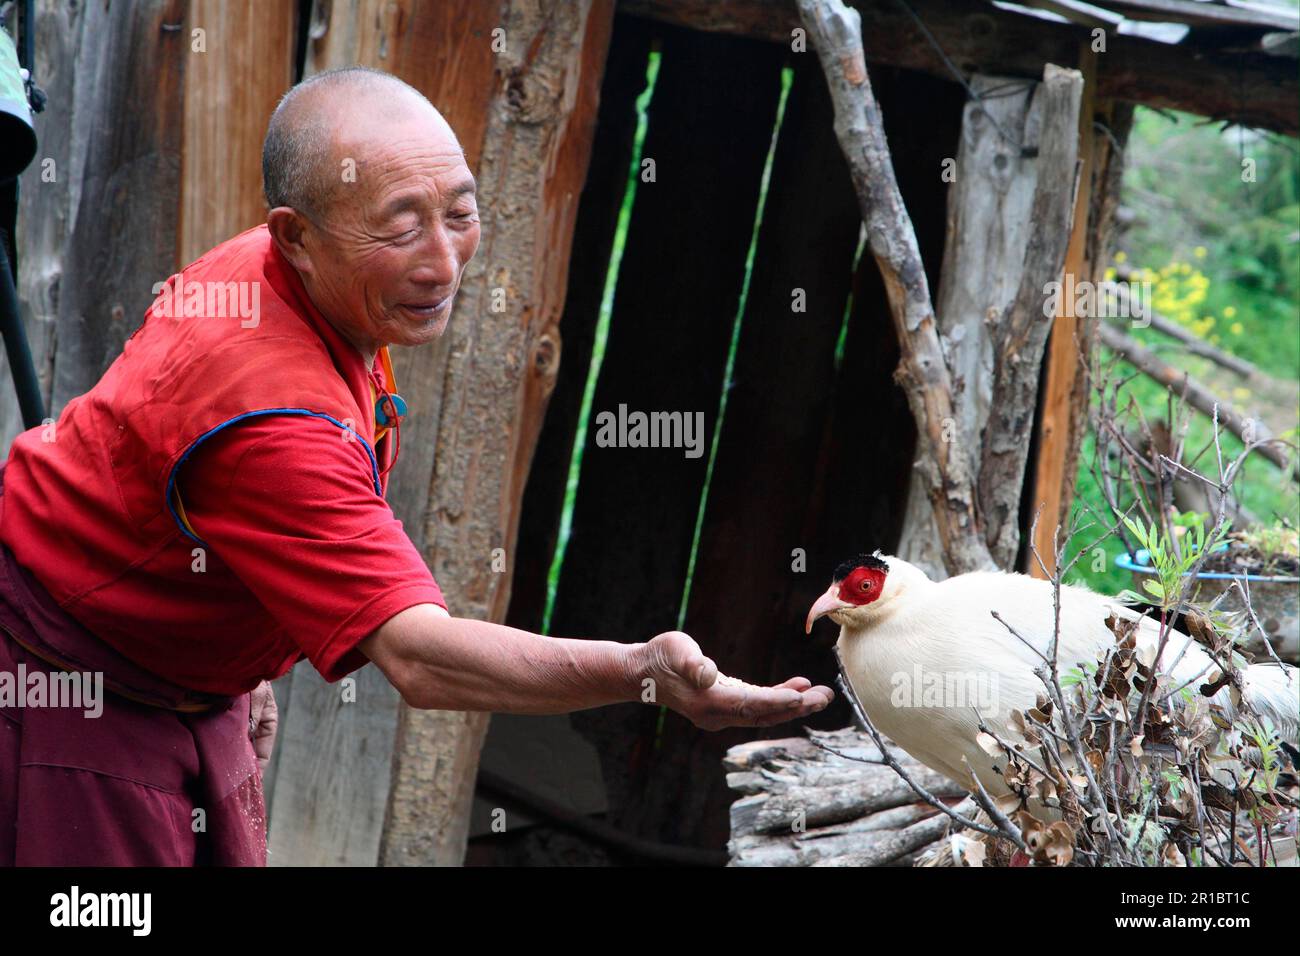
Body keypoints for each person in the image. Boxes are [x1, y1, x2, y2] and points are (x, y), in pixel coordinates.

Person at [0, 67, 832, 866]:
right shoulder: (272, 412)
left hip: (173, 671)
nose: (442, 264)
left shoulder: (292, 273)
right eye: (400, 227)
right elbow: (421, 660)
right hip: (71, 693)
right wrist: (642, 672)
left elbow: (157, 476)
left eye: (460, 213)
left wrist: (240, 664)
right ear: (295, 233)